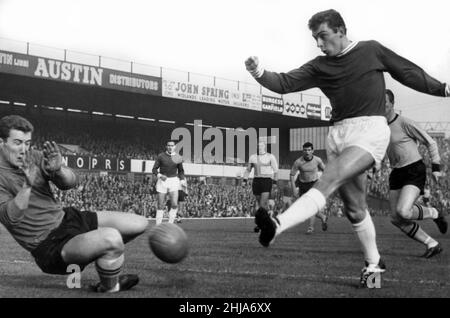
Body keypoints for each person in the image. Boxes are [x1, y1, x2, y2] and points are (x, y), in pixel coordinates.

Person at [245, 9, 449, 287]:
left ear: (341, 30)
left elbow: (408, 72)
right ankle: (374, 266)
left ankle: (277, 225)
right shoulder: (319, 65)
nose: (318, 43)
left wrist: (443, 89)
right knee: (355, 209)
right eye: (315, 38)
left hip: (371, 130)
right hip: (338, 134)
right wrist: (257, 71)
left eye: (323, 36)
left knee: (330, 176)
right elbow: (284, 83)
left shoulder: (371, 50)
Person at [0, 115, 148, 293]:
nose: (24, 149)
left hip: (68, 218)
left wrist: (59, 170)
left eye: (28, 143)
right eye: (17, 143)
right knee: (112, 238)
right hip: (48, 245)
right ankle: (109, 286)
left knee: (139, 223)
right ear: (2, 142)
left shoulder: (34, 156)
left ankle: (94, 250)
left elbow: (71, 182)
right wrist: (27, 185)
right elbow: (11, 218)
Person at [384, 89, 447, 258]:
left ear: (392, 104)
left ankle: (434, 213)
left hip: (413, 169)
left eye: (385, 102)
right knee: (396, 218)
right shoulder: (379, 127)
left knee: (404, 211)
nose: (382, 105)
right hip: (396, 172)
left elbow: (430, 142)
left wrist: (435, 168)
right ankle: (431, 244)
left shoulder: (404, 122)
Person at [290, 142, 328, 234]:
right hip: (302, 185)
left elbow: (325, 170)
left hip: (314, 184)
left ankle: (311, 227)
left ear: (312, 151)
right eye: (305, 150)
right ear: (302, 151)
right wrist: (294, 188)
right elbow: (291, 175)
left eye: (309, 150)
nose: (307, 152)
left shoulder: (317, 160)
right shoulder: (298, 162)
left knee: (311, 207)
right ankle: (323, 217)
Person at [243, 141, 278, 232]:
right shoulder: (253, 157)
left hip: (267, 181)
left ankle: (260, 225)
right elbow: (248, 170)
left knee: (262, 204)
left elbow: (276, 171)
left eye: (261, 146)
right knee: (260, 205)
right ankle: (270, 216)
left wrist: (274, 183)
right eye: (258, 146)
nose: (259, 148)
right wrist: (244, 180)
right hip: (257, 181)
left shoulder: (271, 157)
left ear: (265, 147)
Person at [152, 140, 186, 224]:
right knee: (160, 205)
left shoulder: (178, 157)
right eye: (169, 145)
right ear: (166, 147)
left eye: (172, 145)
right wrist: (160, 175)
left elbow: (181, 171)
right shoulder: (161, 156)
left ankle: (170, 224)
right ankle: (158, 225)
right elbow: (154, 169)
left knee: (174, 205)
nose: (170, 147)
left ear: (175, 147)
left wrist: (182, 180)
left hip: (174, 181)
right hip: (162, 181)